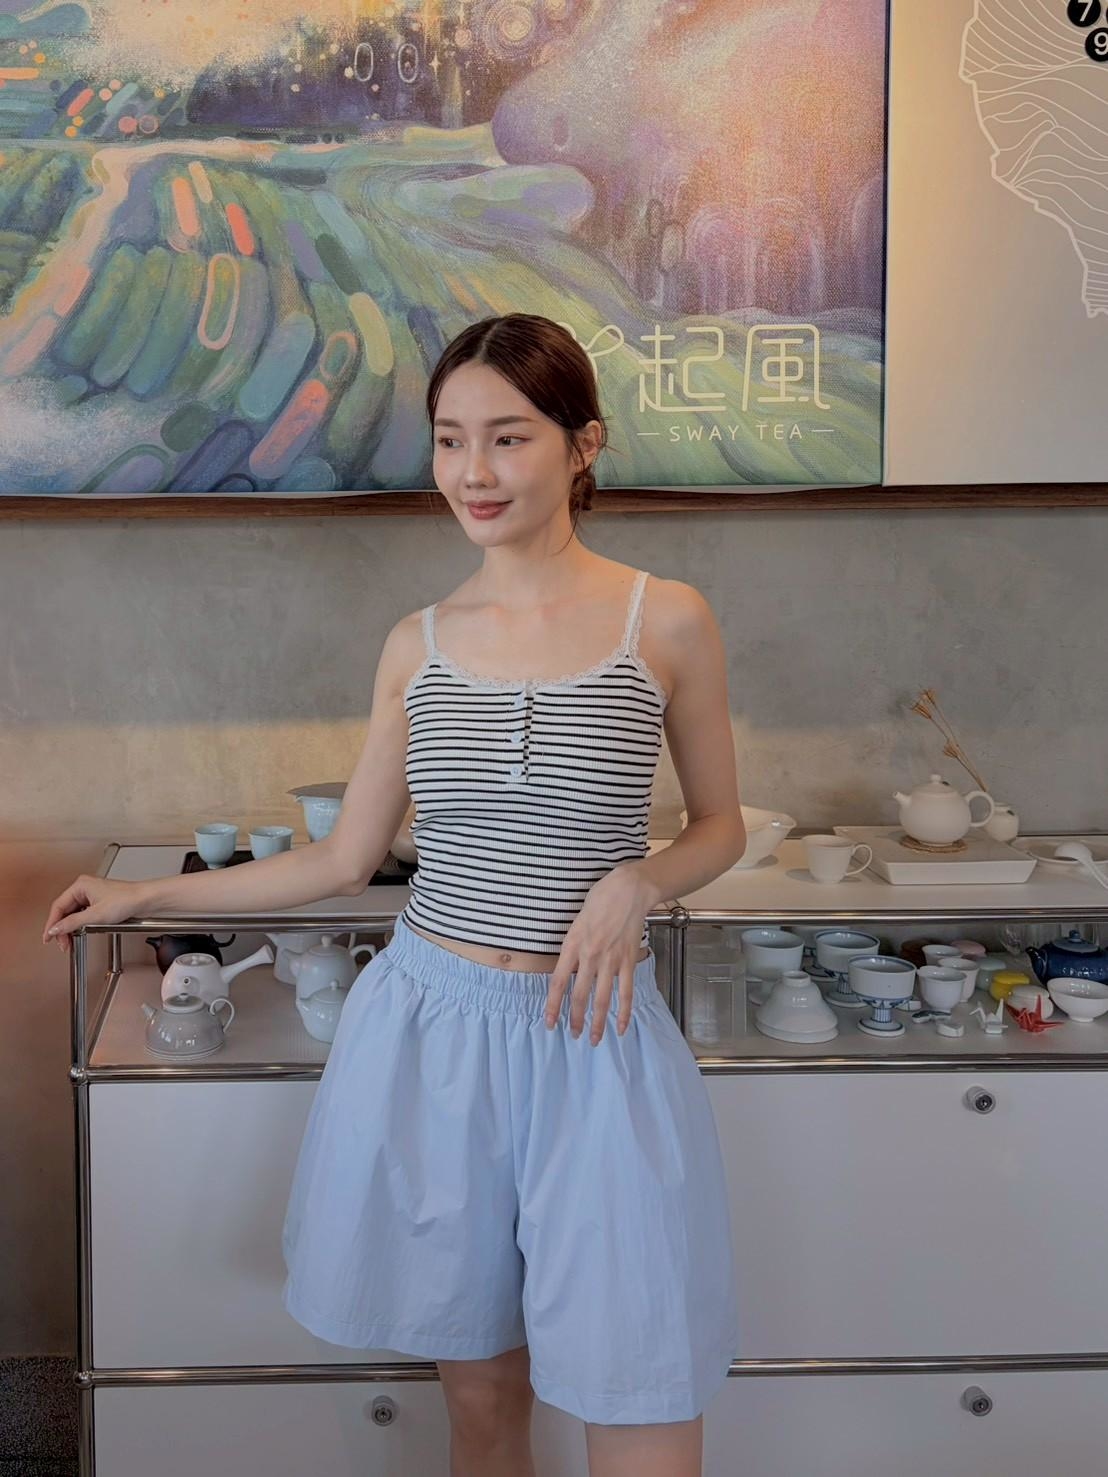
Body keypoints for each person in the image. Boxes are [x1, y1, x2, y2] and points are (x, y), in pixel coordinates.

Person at [43, 313, 745, 1477]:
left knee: (643, 1402)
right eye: (450, 439)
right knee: (482, 1400)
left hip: (595, 1041)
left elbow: (720, 823)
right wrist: (138, 899)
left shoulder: (664, 618)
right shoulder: (416, 645)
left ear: (583, 443)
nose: (473, 471)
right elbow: (341, 860)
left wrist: (640, 879)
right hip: (434, 1038)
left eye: (508, 437)